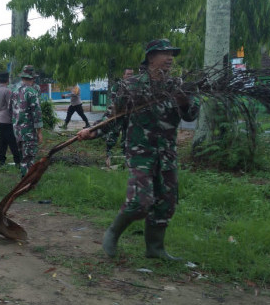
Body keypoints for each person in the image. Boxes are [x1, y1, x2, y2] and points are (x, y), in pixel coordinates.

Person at [77, 39, 199, 260]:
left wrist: (184, 102)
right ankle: (113, 233)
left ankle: (155, 249)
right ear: (151, 57)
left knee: (166, 202)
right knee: (140, 202)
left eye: (172, 54)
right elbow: (113, 117)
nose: (170, 57)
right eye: (165, 53)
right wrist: (93, 131)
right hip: (141, 152)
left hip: (167, 153)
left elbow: (191, 116)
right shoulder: (130, 86)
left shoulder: (176, 86)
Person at [12, 65, 44, 177]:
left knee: (22, 158)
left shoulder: (15, 91)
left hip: (17, 131)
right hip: (29, 132)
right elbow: (37, 114)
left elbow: (11, 110)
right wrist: (39, 132)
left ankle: (23, 178)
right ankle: (27, 182)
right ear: (32, 78)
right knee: (29, 158)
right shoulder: (31, 92)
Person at [105, 68, 135, 166]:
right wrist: (114, 111)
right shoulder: (118, 86)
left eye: (131, 74)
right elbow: (112, 99)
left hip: (130, 114)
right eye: (128, 74)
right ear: (124, 75)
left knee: (128, 134)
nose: (130, 76)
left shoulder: (136, 86)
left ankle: (125, 153)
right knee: (114, 132)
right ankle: (108, 151)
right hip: (118, 114)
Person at [0, 72, 21, 167]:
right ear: (7, 80)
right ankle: (18, 161)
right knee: (12, 141)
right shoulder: (8, 91)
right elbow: (11, 106)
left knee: (3, 141)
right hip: (7, 119)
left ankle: (2, 161)